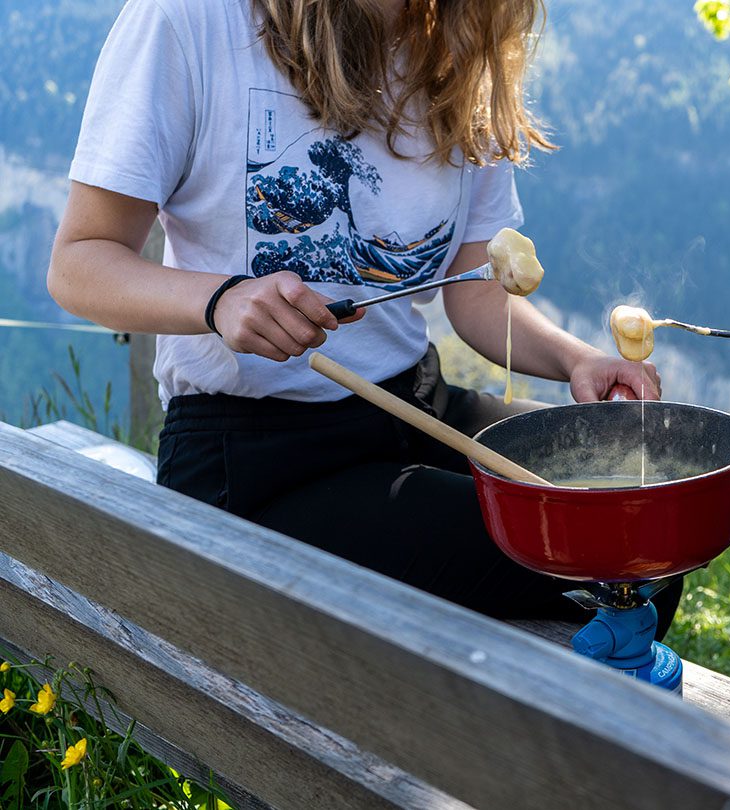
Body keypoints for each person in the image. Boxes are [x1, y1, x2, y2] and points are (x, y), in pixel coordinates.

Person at [46, 0, 678, 630]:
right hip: (255, 457)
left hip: (412, 409)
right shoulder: (189, 20)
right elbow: (79, 263)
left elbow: (478, 288)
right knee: (590, 549)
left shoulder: (457, 42)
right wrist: (218, 299)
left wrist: (577, 360)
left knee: (646, 519)